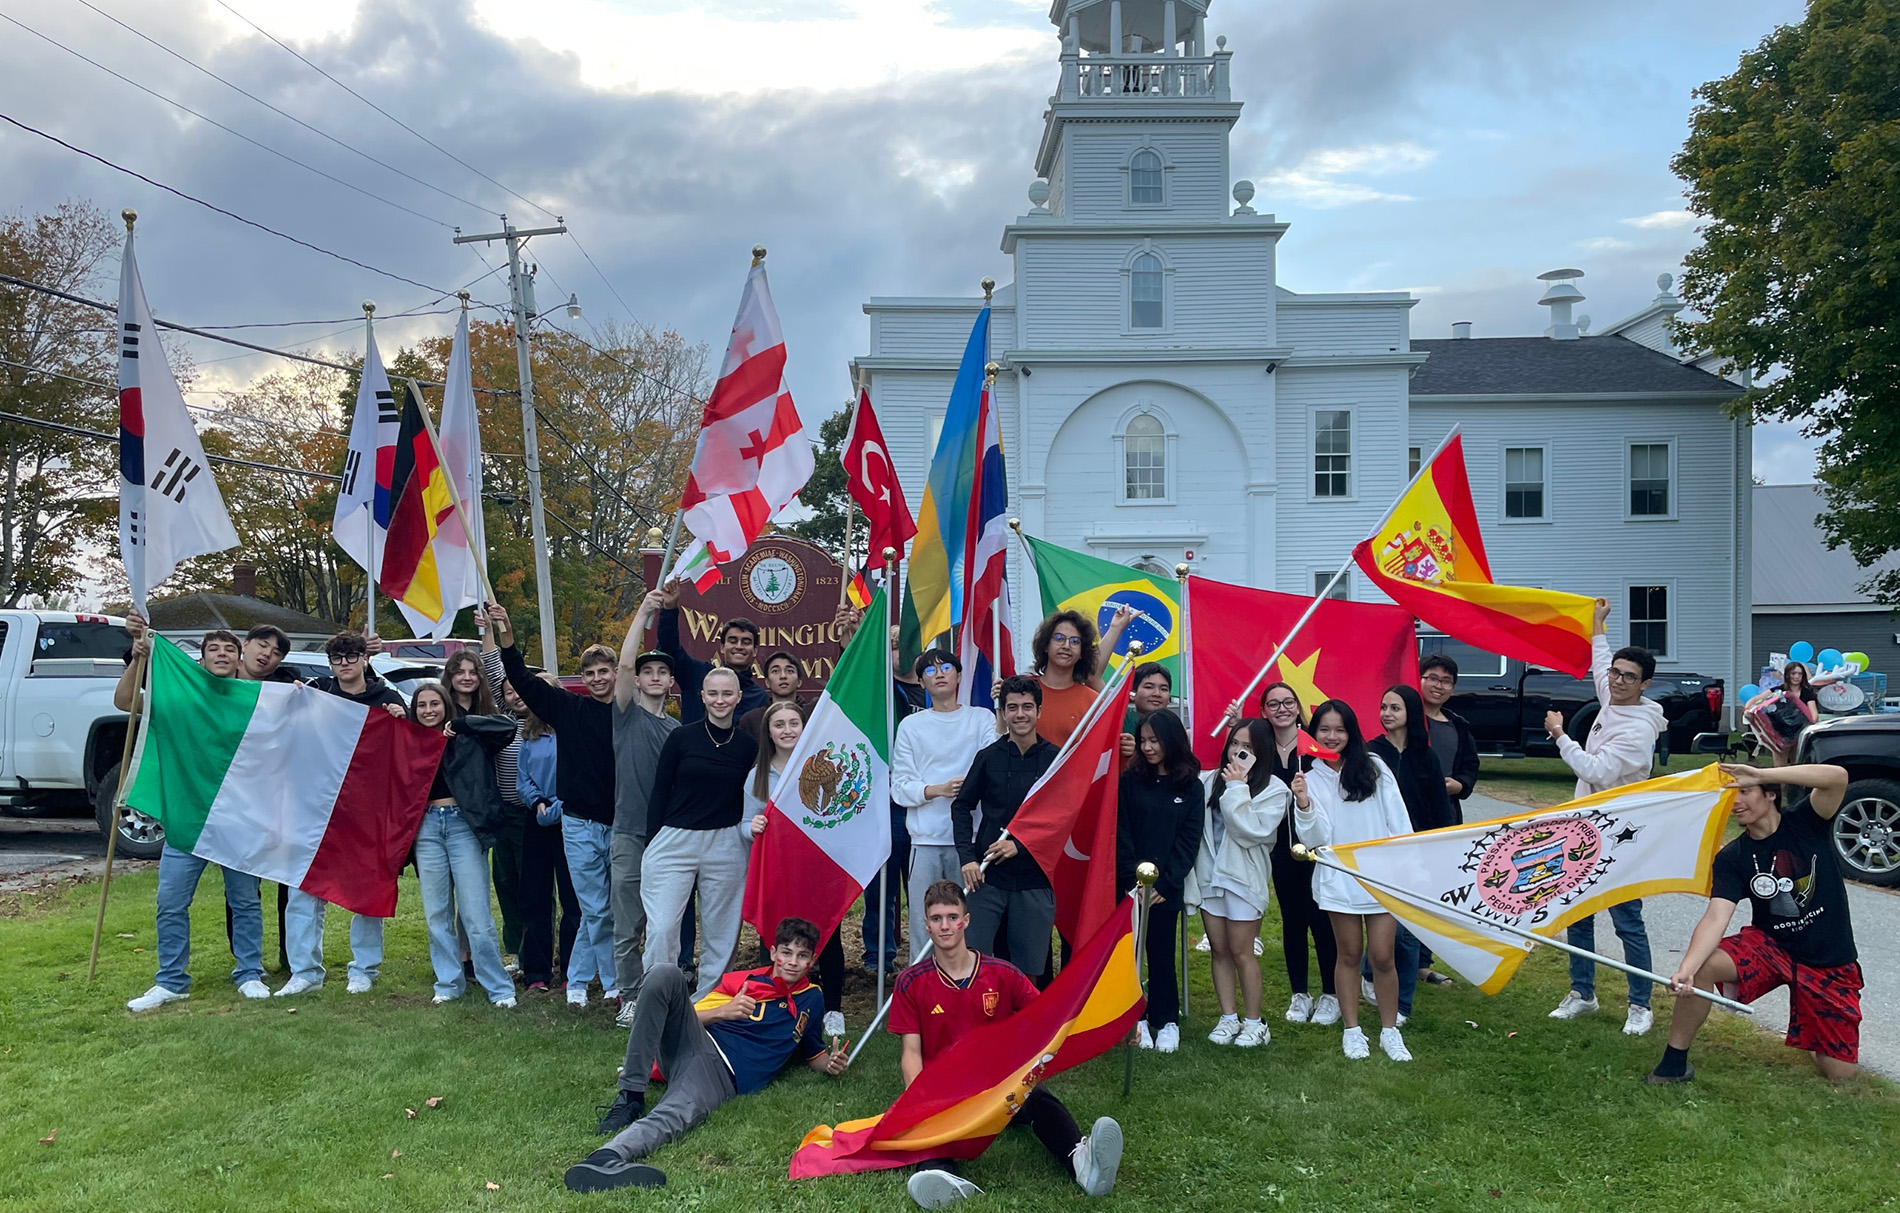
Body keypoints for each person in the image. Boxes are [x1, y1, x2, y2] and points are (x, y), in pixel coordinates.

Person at [570, 917, 848, 1192]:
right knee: (664, 973)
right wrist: (723, 1012)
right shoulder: (745, 983)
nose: (792, 961)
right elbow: (682, 1016)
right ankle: (630, 1096)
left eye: (802, 956)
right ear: (774, 953)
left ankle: (606, 1158)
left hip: (719, 1072)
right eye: (786, 952)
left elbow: (813, 1053)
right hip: (692, 1041)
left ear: (812, 961)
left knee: (674, 1112)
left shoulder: (812, 999)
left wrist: (830, 1064)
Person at [895, 881, 1124, 1208]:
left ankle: (1082, 1161)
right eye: (936, 918)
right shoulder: (910, 982)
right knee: (932, 1129)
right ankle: (941, 1177)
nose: (945, 926)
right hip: (944, 1090)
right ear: (926, 924)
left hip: (998, 1085)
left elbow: (1054, 1016)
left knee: (1035, 1093)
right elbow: (911, 1052)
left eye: (952, 917)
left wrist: (1115, 1025)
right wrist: (918, 1101)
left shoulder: (1002, 974)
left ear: (966, 921)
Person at [1648, 763, 1860, 1084]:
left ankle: (1812, 1025)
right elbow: (1716, 916)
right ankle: (1673, 1064)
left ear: (1771, 795)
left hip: (1828, 962)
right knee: (1704, 967)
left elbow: (1837, 777)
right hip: (1771, 947)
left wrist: (1761, 773)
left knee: (1839, 1074)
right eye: (1731, 795)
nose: (1736, 803)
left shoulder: (1806, 822)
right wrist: (1687, 969)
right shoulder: (1733, 858)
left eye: (1744, 792)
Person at [120, 620, 273, 1012]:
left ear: (239, 658)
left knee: (245, 902)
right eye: (214, 649)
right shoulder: (179, 698)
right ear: (201, 658)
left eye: (228, 648)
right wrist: (138, 660)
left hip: (238, 821)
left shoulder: (253, 697)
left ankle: (249, 972)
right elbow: (125, 702)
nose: (221, 654)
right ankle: (171, 981)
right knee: (170, 901)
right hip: (187, 821)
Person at [1543, 597, 1664, 1036]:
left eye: (1628, 677)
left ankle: (1640, 1004)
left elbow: (1592, 770)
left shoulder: (1637, 732)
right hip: (1584, 828)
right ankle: (1583, 993)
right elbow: (1598, 662)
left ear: (1644, 684)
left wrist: (1559, 734)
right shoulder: (1612, 696)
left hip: (1620, 833)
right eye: (1615, 672)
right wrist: (1597, 624)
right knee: (1577, 912)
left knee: (1626, 919)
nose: (1615, 681)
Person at [491, 602, 620, 1007]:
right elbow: (523, 682)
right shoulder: (569, 710)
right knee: (593, 907)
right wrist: (506, 638)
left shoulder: (629, 714)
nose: (597, 678)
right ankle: (610, 984)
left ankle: (579, 979)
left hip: (619, 823)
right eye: (590, 673)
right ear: (580, 679)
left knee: (604, 907)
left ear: (616, 673)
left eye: (604, 671)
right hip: (578, 823)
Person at [273, 630, 410, 997]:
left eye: (352, 656)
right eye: (338, 658)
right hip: (315, 807)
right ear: (331, 664)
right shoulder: (318, 691)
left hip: (366, 810)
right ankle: (304, 971)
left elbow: (409, 748)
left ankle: (363, 969)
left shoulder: (387, 698)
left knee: (367, 888)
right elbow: (281, 697)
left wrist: (402, 718)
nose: (345, 664)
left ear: (365, 659)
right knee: (303, 889)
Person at [1292, 699, 1414, 1061]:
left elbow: (1398, 818)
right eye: (1324, 730)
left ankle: (1390, 1031)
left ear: (1351, 732)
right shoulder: (1309, 777)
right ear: (1313, 734)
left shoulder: (1373, 767)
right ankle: (1353, 1030)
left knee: (1382, 956)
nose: (1332, 736)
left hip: (1380, 877)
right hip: (1338, 879)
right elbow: (1316, 838)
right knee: (1348, 954)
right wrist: (1303, 802)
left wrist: (1405, 867)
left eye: (1339, 729)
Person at [642, 666, 757, 999]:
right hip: (675, 840)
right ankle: (659, 1000)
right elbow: (660, 791)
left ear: (737, 697)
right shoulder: (681, 737)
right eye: (713, 693)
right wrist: (653, 842)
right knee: (662, 927)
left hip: (726, 843)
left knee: (722, 933)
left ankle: (708, 1002)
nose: (720, 700)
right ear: (702, 697)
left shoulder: (748, 746)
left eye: (727, 693)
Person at [405, 681, 518, 1007]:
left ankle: (499, 987)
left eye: (435, 704)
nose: (428, 711)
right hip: (427, 828)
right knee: (437, 913)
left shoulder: (469, 736)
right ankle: (449, 983)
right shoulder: (411, 742)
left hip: (463, 827)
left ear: (446, 706)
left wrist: (464, 722)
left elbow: (506, 726)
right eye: (422, 705)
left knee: (476, 914)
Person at [742, 699, 847, 1035]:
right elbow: (742, 824)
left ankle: (832, 1009)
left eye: (793, 723)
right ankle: (772, 1003)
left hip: (818, 871)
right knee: (774, 935)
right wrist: (752, 827)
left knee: (827, 937)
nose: (787, 730)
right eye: (779, 725)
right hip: (778, 874)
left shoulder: (820, 768)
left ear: (805, 728)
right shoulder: (757, 776)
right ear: (769, 733)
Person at [892, 648, 997, 956]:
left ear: (959, 676)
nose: (939, 674)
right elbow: (899, 786)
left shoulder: (981, 718)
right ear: (922, 682)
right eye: (929, 670)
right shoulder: (911, 726)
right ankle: (922, 990)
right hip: (925, 841)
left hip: (970, 841)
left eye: (946, 667)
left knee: (968, 924)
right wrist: (938, 789)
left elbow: (993, 764)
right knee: (926, 927)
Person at [1188, 718, 1286, 1048]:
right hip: (1210, 877)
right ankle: (1228, 1017)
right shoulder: (1209, 780)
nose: (1239, 752)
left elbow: (1250, 831)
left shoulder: (1274, 789)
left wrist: (1238, 787)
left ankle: (1255, 1022)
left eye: (1249, 747)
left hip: (1243, 880)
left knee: (1242, 951)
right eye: (1235, 744)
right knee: (1219, 950)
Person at [953, 675, 1059, 977]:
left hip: (1034, 877)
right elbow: (961, 806)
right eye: (1012, 707)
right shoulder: (988, 757)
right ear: (1003, 713)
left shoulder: (1056, 759)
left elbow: (1062, 816)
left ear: (1039, 711)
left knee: (1029, 968)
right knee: (974, 961)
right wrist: (967, 857)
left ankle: (1025, 1024)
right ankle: (978, 1022)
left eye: (1027, 707)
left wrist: (1021, 844)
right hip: (987, 877)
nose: (1020, 714)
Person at [1361, 684, 1455, 1023]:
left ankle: (1402, 1005)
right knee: (1382, 926)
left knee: (1409, 930)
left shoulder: (1425, 756)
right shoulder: (1371, 753)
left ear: (1410, 714)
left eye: (1395, 708)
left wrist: (1437, 851)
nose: (1387, 713)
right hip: (1380, 856)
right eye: (1383, 706)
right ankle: (1369, 973)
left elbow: (1439, 809)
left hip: (1417, 856)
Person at [609, 591, 679, 1022]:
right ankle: (629, 997)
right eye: (647, 671)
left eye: (662, 672)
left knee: (663, 924)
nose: (654, 677)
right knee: (627, 922)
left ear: (671, 683)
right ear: (638, 680)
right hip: (630, 833)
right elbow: (622, 663)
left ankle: (660, 992)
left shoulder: (677, 730)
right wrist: (643, 612)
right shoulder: (626, 714)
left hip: (668, 837)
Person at [1115, 709, 1202, 1053]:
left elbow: (1188, 840)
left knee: (1162, 954)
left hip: (1165, 891)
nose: (1148, 748)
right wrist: (1131, 880)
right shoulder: (1130, 781)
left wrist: (1165, 885)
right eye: (1143, 741)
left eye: (1154, 741)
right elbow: (1121, 831)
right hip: (1130, 887)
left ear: (1171, 741)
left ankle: (1166, 1020)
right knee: (1129, 952)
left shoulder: (1190, 787)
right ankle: (1133, 1018)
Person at [1255, 682, 1340, 1027]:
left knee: (1322, 918)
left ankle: (1331, 995)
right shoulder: (1260, 746)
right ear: (1264, 711)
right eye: (1273, 704)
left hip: (1318, 843)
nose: (1282, 709)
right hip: (1281, 845)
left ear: (1297, 706)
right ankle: (1299, 993)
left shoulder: (1314, 745)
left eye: (1288, 702)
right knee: (1293, 919)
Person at [514, 674, 587, 1000]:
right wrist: (538, 802)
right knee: (536, 898)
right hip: (537, 819)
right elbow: (522, 778)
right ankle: (536, 972)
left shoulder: (575, 730)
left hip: (571, 817)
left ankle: (573, 970)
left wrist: (558, 805)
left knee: (573, 899)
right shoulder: (529, 735)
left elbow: (583, 774)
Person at [862, 623, 928, 974]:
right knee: (882, 886)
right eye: (892, 645)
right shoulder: (881, 692)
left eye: (906, 644)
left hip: (931, 804)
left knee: (924, 885)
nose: (899, 650)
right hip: (888, 804)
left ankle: (925, 955)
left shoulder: (937, 693)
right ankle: (879, 956)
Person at [655, 577, 769, 725]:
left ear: (755, 651)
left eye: (746, 642)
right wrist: (669, 609)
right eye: (732, 641)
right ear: (722, 647)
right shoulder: (696, 674)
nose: (739, 646)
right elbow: (669, 647)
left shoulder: (761, 699)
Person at [1026, 608, 1131, 749]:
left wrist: (1125, 749)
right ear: (1046, 645)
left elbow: (1102, 753)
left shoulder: (1094, 702)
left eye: (1075, 641)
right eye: (1059, 638)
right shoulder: (1023, 690)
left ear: (1082, 652)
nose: (1066, 646)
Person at [1417, 655, 1481, 817]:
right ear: (1418, 679)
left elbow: (1470, 765)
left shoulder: (1459, 726)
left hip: (1446, 810)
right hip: (1409, 809)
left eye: (1446, 681)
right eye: (1432, 678)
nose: (1438, 686)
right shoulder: (1404, 721)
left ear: (1452, 688)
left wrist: (1460, 784)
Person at [736, 649, 801, 739]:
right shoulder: (751, 720)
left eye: (790, 671)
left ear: (799, 681)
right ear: (767, 682)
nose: (783, 676)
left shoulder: (813, 714)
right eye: (775, 671)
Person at [1117, 661, 1175, 762]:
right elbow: (1093, 678)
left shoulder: (1176, 730)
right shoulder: (1121, 716)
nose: (1157, 693)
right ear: (1132, 693)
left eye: (1164, 689)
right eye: (1149, 687)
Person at [1769, 660, 1819, 765]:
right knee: (1780, 765)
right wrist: (1748, 710)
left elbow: (1814, 715)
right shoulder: (1779, 690)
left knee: (1796, 763)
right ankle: (1781, 781)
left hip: (1799, 732)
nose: (1796, 677)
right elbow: (1756, 700)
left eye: (1800, 674)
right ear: (1787, 675)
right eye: (1793, 673)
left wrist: (1808, 728)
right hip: (1781, 732)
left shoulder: (1807, 692)